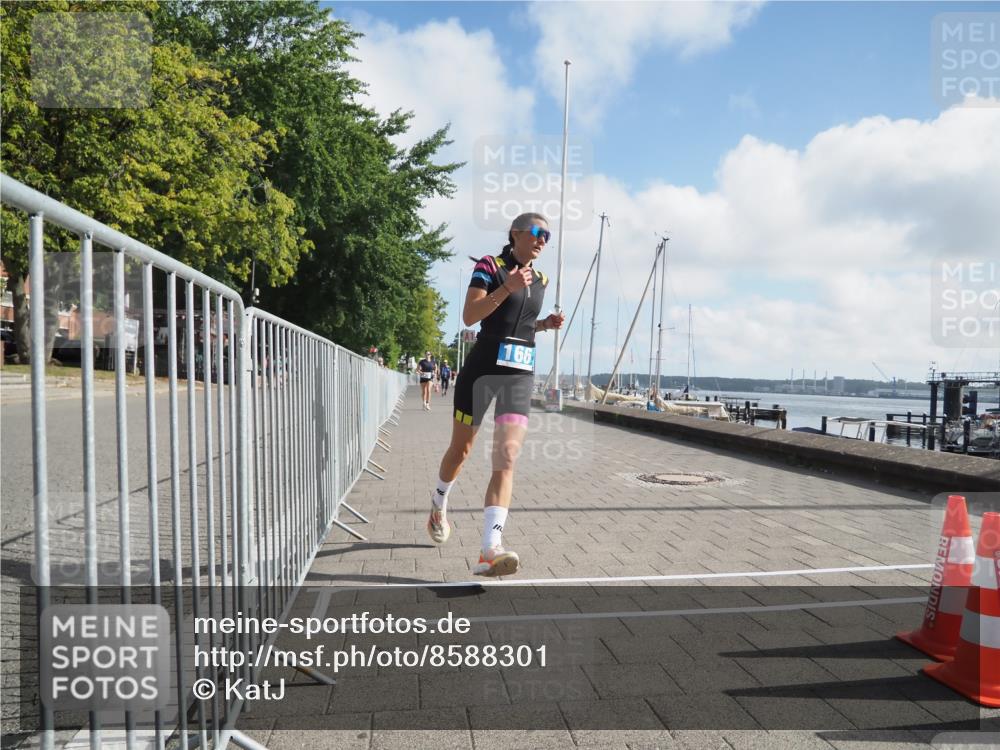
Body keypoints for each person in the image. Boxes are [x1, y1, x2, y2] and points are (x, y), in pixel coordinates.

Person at [425, 212, 564, 577]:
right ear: (516, 234)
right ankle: (439, 503)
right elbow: (471, 316)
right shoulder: (491, 266)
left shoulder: (543, 279)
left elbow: (520, 322)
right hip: (482, 371)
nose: (543, 240)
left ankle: (490, 548)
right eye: (537, 233)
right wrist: (507, 288)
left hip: (519, 375)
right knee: (462, 451)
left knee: (507, 459)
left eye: (548, 236)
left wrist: (544, 325)